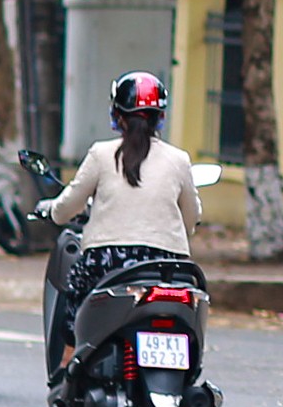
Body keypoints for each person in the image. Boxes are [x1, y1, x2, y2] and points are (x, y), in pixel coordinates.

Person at [39, 72, 203, 368]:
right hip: (168, 266)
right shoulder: (179, 159)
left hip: (109, 261)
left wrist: (53, 212)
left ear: (117, 115)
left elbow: (68, 207)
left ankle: (68, 365)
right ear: (161, 117)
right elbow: (191, 219)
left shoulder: (102, 154)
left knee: (73, 299)